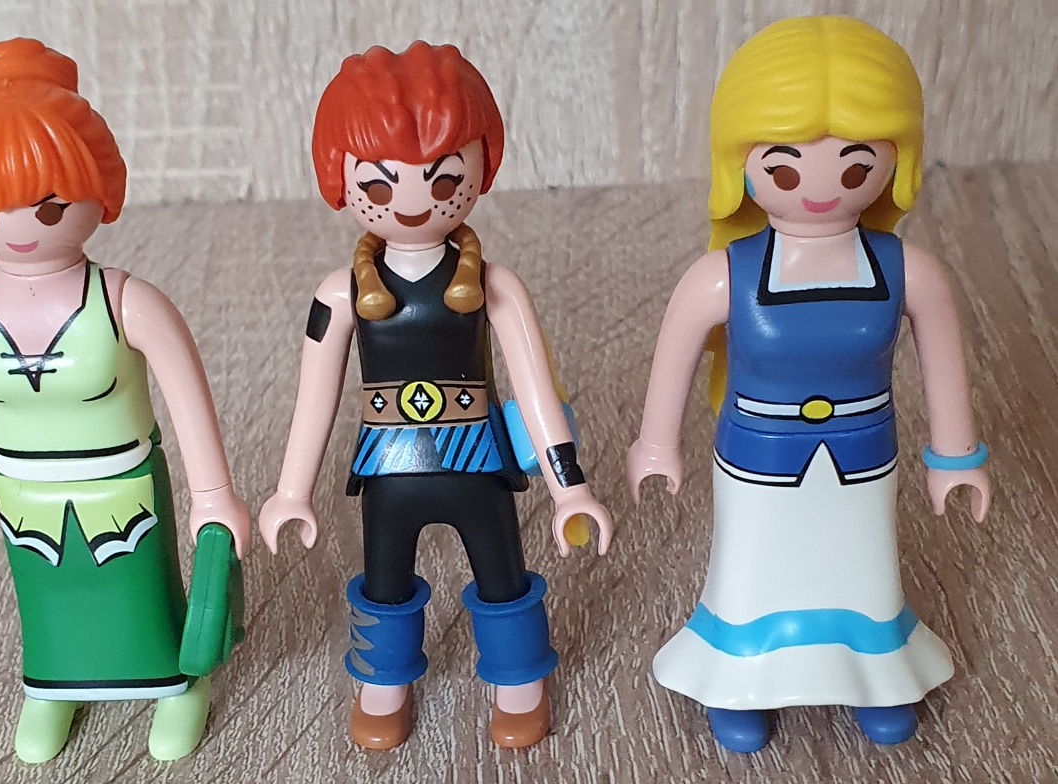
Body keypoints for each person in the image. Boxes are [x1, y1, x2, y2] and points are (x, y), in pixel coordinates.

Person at [627, 17, 991, 753]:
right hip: (758, 457)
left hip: (863, 455)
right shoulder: (722, 277)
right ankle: (742, 683)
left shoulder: (908, 271)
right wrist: (656, 446)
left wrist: (956, 458)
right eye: (786, 169)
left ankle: (876, 680)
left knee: (865, 575)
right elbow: (674, 364)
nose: (822, 188)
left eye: (856, 167)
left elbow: (944, 367)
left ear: (898, 161)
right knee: (751, 575)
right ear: (738, 163)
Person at [0, 38, 250, 763]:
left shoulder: (125, 302)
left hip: (120, 485)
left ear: (100, 190)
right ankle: (52, 686)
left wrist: (214, 497)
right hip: (22, 492)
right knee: (45, 602)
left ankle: (174, 684)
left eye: (50, 206)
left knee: (139, 596)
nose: (19, 229)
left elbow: (188, 398)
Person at [259, 41, 613, 750]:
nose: (417, 200)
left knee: (502, 571)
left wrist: (568, 485)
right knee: (384, 577)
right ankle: (383, 682)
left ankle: (519, 680)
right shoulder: (339, 294)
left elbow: (536, 392)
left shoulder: (494, 285)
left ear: (483, 166)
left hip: (477, 459)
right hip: (390, 464)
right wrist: (290, 490)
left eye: (443, 176)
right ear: (340, 179)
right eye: (382, 183)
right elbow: (313, 400)